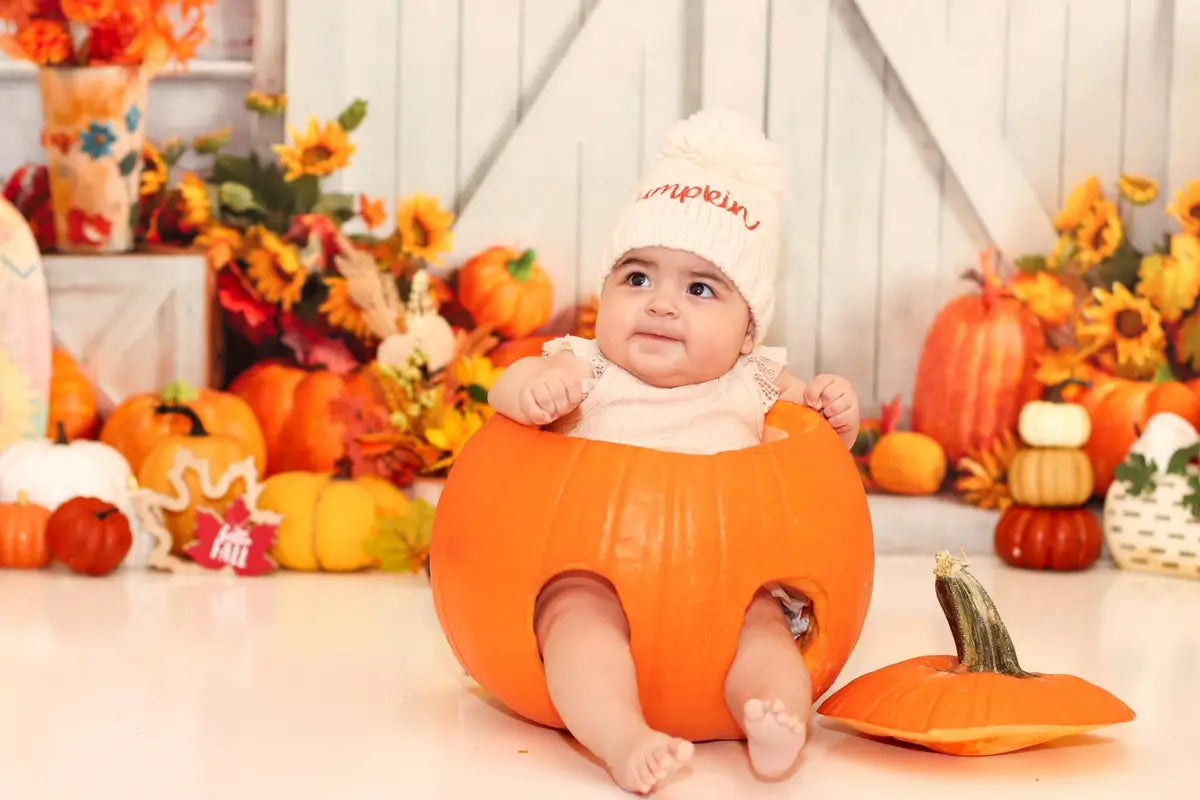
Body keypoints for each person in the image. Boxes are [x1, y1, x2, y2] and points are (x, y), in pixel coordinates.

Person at [487, 108, 860, 794]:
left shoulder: (754, 380)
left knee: (768, 630)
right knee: (574, 623)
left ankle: (774, 718)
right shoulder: (585, 366)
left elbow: (817, 452)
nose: (660, 304)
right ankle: (620, 736)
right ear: (605, 291)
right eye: (638, 278)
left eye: (699, 289)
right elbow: (503, 389)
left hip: (729, 583)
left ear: (749, 330)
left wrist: (836, 409)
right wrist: (532, 391)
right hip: (594, 567)